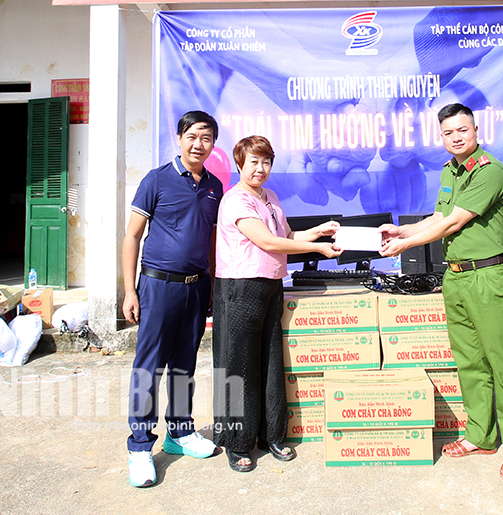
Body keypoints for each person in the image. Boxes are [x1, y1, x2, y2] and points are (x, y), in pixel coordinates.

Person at [380, 103, 503, 481]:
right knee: (469, 360)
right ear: (442, 136)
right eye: (449, 133)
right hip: (456, 276)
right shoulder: (450, 171)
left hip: (487, 276)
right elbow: (438, 216)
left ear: (476, 130)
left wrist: (405, 247)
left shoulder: (490, 171)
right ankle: (480, 435)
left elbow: (453, 222)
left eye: (462, 130)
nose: (456, 137)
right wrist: (402, 231)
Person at [212, 135, 340, 473]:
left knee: (270, 363)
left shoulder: (270, 197)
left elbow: (287, 236)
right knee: (238, 366)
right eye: (253, 161)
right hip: (240, 288)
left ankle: (272, 435)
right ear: (239, 163)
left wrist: (319, 231)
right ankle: (237, 443)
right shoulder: (235, 200)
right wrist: (319, 250)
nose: (260, 168)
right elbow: (267, 241)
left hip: (270, 287)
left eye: (266, 162)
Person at [122, 111, 223, 488]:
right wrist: (130, 290)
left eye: (208, 138)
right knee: (148, 368)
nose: (200, 145)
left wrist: (211, 285)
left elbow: (211, 240)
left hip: (196, 287)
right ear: (179, 138)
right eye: (193, 136)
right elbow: (132, 236)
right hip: (157, 285)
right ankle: (139, 447)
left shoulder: (215, 186)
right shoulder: (157, 180)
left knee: (185, 364)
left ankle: (180, 434)